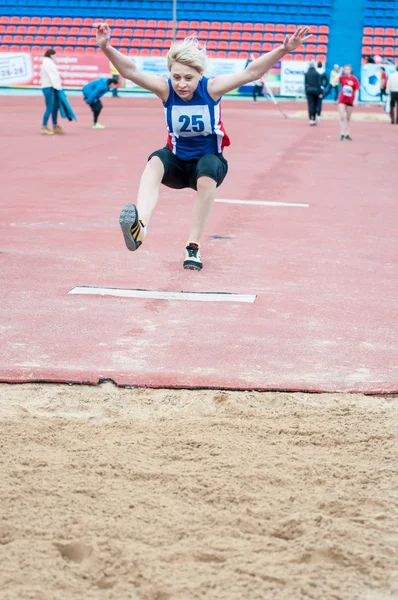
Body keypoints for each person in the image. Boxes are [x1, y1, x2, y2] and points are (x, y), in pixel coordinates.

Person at [95, 23, 310, 270]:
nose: (182, 84)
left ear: (200, 75)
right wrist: (106, 47)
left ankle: (193, 247)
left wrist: (283, 50)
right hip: (177, 162)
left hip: (209, 161)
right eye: (176, 77)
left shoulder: (212, 89)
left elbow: (251, 73)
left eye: (188, 78)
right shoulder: (165, 90)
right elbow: (131, 71)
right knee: (155, 160)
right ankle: (139, 227)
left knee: (207, 171)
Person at [40, 48, 64, 135]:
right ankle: (44, 126)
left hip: (52, 87)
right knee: (50, 107)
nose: (56, 57)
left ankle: (55, 125)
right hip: (48, 87)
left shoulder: (49, 63)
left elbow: (54, 74)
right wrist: (58, 87)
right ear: (51, 55)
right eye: (55, 55)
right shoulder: (47, 63)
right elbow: (53, 75)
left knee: (55, 107)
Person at [338, 64, 360, 141]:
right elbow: (336, 80)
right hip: (342, 99)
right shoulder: (342, 78)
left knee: (348, 117)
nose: (346, 70)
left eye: (348, 69)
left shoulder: (354, 79)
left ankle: (347, 133)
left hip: (350, 100)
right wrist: (340, 72)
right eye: (345, 69)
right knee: (342, 116)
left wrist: (356, 99)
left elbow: (357, 90)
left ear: (351, 70)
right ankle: (342, 133)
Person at [304, 61, 322, 126]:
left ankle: (310, 119)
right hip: (316, 90)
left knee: (310, 105)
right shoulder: (317, 74)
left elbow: (305, 84)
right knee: (315, 105)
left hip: (308, 90)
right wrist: (320, 92)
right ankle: (314, 119)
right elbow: (319, 84)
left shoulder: (306, 73)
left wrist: (305, 92)